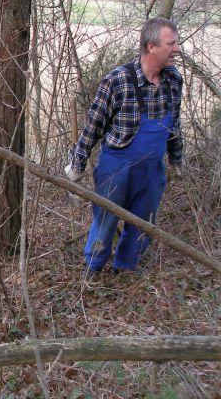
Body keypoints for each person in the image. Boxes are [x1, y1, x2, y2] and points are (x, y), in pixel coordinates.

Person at [65, 18, 184, 279]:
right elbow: (92, 127)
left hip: (153, 170)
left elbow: (174, 124)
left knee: (143, 224)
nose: (177, 48)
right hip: (116, 168)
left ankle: (127, 269)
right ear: (151, 47)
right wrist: (77, 166)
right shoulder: (117, 81)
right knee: (105, 222)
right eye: (171, 43)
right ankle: (92, 271)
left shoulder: (173, 80)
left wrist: (176, 159)